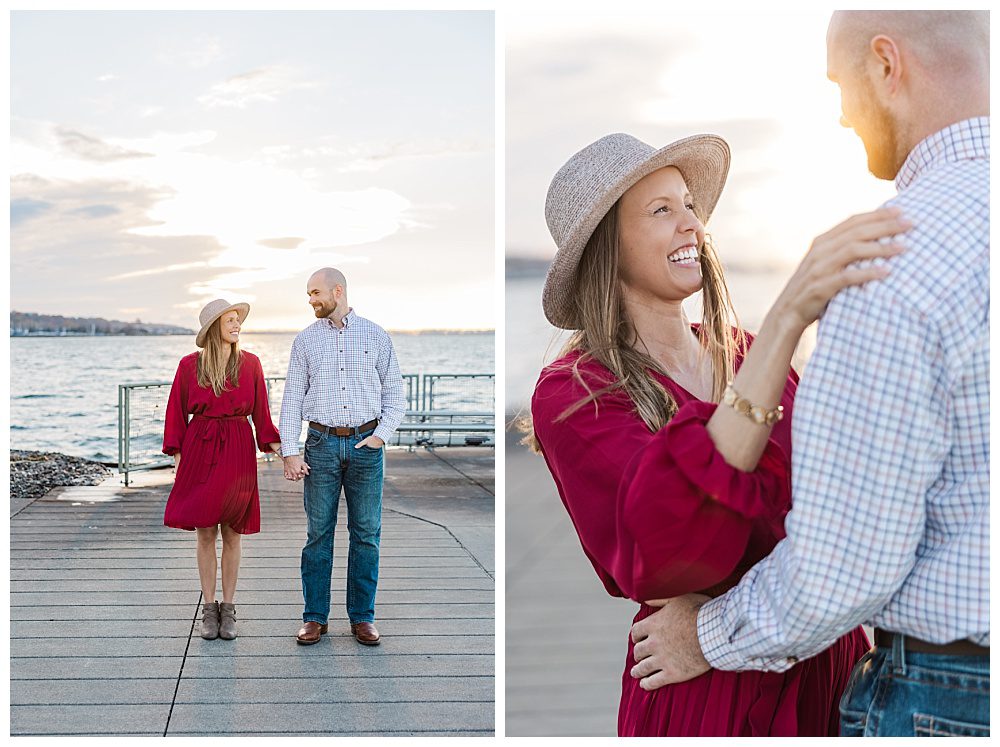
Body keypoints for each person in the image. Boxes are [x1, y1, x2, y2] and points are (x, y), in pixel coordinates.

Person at [626, 10, 989, 738]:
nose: (841, 114)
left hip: (945, 694)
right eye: (661, 210)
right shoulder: (576, 389)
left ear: (887, 65)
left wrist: (707, 634)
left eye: (842, 85)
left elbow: (843, 566)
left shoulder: (890, 260)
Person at [528, 131, 909, 736]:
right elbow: (666, 553)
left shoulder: (746, 352)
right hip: (708, 691)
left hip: (828, 667)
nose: (692, 225)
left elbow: (841, 497)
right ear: (608, 248)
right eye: (661, 210)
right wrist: (789, 314)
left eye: (690, 206)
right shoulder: (573, 391)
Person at [278, 267, 406, 646]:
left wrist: (380, 437)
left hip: (367, 445)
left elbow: (395, 395)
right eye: (308, 294)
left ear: (338, 290)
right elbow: (291, 401)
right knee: (318, 534)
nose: (311, 300)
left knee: (366, 534)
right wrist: (290, 451)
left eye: (316, 292)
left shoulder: (376, 335)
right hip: (320, 445)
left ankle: (362, 617)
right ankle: (315, 617)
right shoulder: (305, 342)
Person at [162, 299, 282, 641]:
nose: (236, 325)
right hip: (199, 448)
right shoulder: (189, 366)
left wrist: (284, 451)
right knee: (204, 532)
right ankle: (209, 609)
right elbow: (175, 415)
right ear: (214, 327)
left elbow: (262, 416)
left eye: (237, 320)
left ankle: (229, 609)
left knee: (233, 531)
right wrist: (178, 460)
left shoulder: (252, 364)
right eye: (230, 320)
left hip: (238, 449)